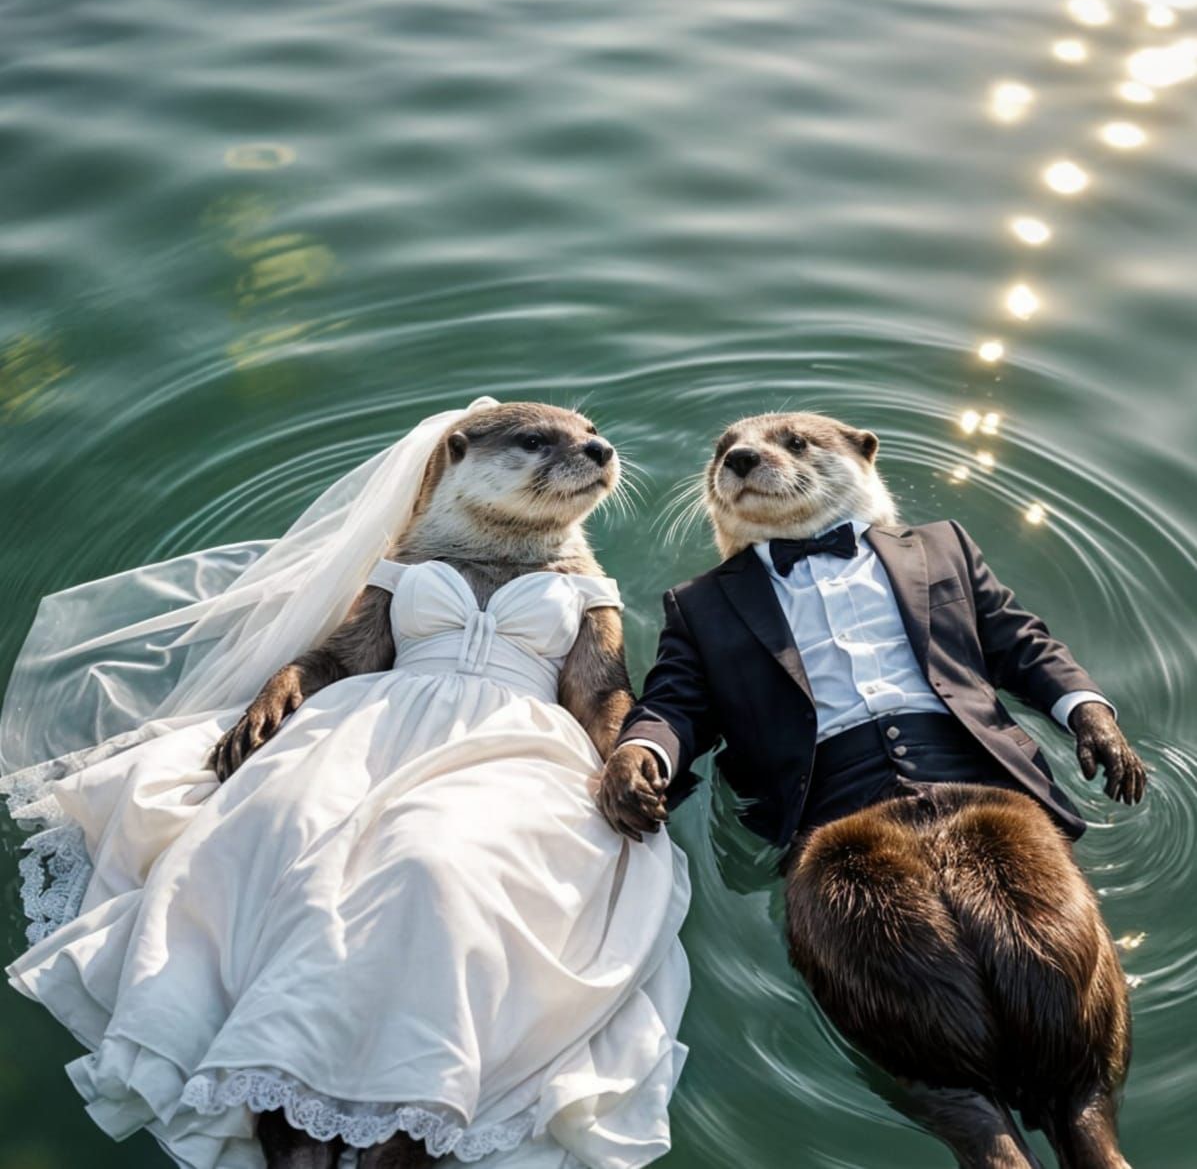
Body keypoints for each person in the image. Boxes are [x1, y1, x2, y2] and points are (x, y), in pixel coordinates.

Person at [0, 399, 690, 1169]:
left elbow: (601, 696)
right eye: (538, 443)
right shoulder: (407, 565)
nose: (591, 451)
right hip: (366, 732)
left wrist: (629, 757)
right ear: (458, 459)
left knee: (436, 868)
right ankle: (285, 1098)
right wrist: (279, 687)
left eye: (592, 440)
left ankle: (410, 1119)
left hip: (512, 750)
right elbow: (337, 661)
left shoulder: (586, 586)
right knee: (301, 852)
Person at [598, 410, 1147, 1169]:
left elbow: (1021, 642)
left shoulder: (941, 548)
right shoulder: (701, 604)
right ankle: (981, 1142)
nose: (744, 456)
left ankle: (1089, 1134)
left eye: (791, 442)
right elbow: (673, 703)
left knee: (1071, 1043)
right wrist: (639, 753)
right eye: (725, 454)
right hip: (837, 833)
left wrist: (1089, 713)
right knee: (962, 1101)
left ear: (861, 455)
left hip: (989, 799)